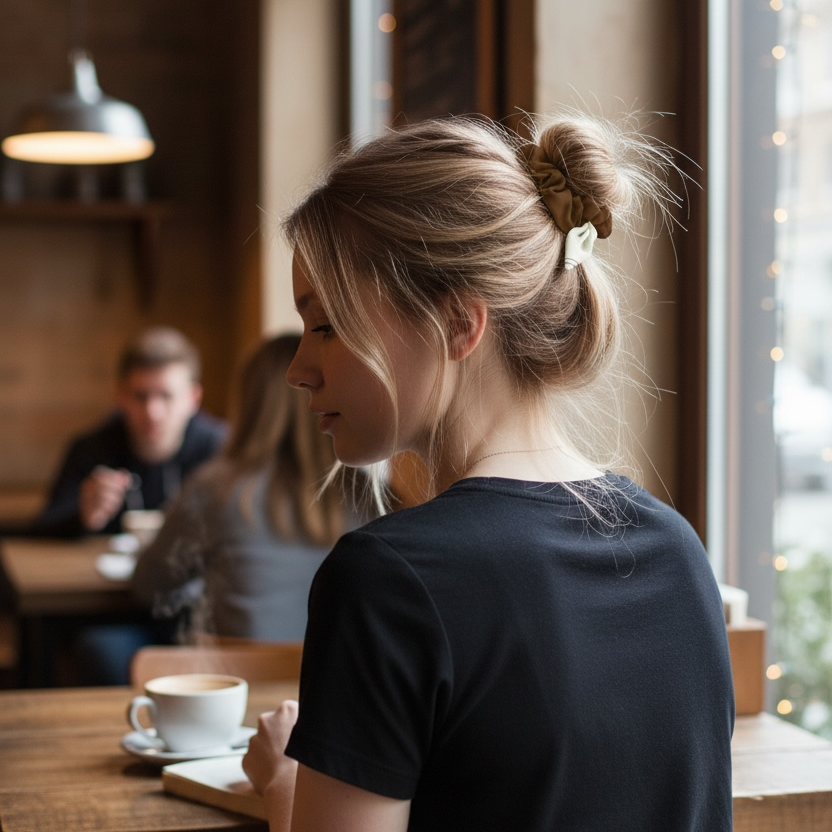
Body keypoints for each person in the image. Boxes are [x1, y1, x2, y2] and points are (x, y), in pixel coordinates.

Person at [241, 111, 735, 831]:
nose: (298, 369)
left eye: (327, 324)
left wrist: (285, 784)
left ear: (456, 324)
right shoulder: (678, 550)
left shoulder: (387, 581)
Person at [130, 333, 353, 642]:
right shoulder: (368, 495)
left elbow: (148, 584)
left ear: (249, 401)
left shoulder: (215, 487)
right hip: (330, 679)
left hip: (238, 682)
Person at [31, 326, 227, 538]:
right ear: (120, 396)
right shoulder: (92, 449)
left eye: (166, 396)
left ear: (193, 399)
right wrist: (83, 516)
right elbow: (43, 529)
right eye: (141, 396)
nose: (153, 412)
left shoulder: (222, 449)